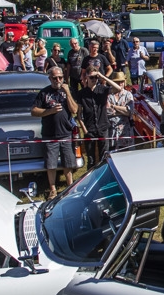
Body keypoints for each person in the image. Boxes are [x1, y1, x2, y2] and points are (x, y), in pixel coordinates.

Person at [30, 67, 79, 198]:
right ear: (50, 78)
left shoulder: (68, 91)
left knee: (68, 162)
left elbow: (74, 110)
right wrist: (48, 112)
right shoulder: (44, 93)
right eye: (54, 78)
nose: (58, 80)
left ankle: (70, 186)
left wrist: (68, 92)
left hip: (65, 133)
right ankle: (53, 188)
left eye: (60, 77)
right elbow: (34, 111)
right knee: (51, 163)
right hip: (50, 134)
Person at [76, 67, 112, 165]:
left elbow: (118, 88)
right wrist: (85, 130)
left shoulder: (102, 89)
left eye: (96, 77)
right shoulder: (81, 94)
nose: (94, 79)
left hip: (103, 127)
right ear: (86, 77)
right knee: (91, 159)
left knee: (104, 157)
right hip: (89, 129)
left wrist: (102, 76)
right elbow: (78, 114)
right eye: (92, 77)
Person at [100, 70, 134, 152]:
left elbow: (129, 111)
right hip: (111, 131)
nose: (120, 84)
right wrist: (122, 109)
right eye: (117, 82)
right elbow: (107, 112)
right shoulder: (108, 95)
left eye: (122, 81)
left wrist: (113, 106)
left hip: (125, 131)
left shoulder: (128, 94)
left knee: (125, 154)